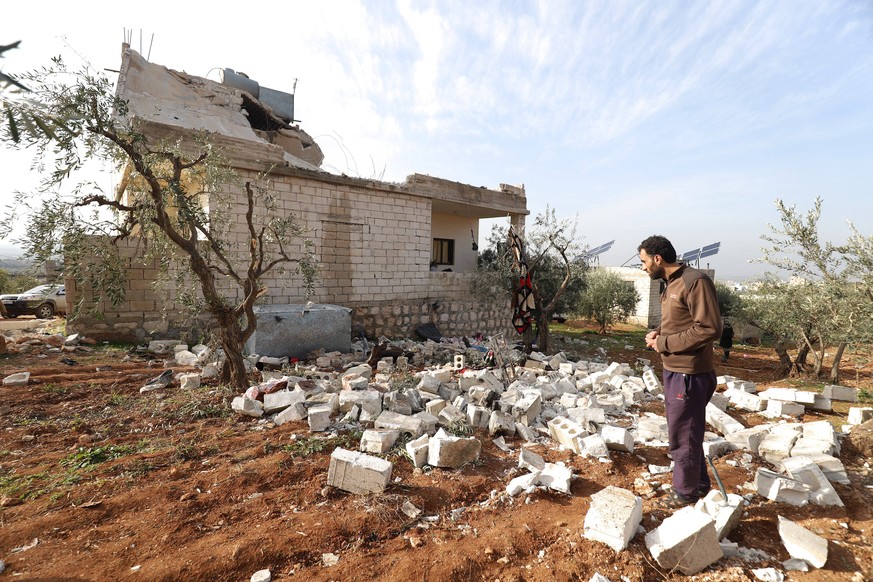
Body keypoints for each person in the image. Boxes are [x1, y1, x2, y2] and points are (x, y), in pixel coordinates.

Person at [638, 235, 723, 508]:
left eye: (643, 261)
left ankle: (685, 494)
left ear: (657, 259)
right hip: (676, 370)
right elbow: (681, 321)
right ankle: (697, 485)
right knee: (688, 432)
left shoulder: (694, 281)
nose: (642, 267)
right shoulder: (671, 283)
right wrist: (660, 333)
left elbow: (709, 328)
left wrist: (663, 343)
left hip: (690, 374)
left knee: (683, 434)